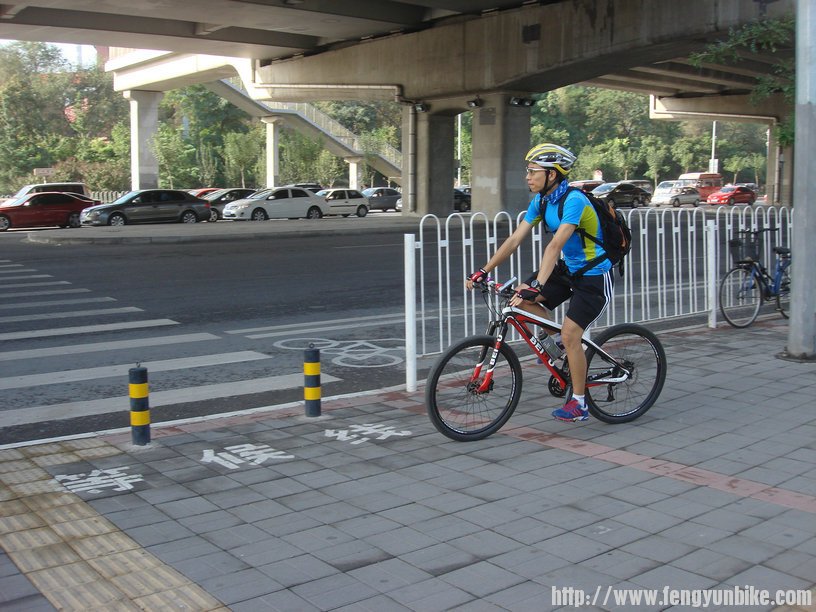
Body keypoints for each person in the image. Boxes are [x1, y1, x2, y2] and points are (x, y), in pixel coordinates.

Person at [466, 143, 614, 422]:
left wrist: (539, 284)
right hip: (568, 271)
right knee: (520, 299)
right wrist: (483, 270)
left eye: (533, 171)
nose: (528, 176)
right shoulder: (542, 201)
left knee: (572, 334)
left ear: (553, 175)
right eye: (528, 171)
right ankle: (556, 343)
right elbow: (513, 240)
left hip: (594, 276)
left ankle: (580, 403)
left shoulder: (575, 201)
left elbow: (555, 245)